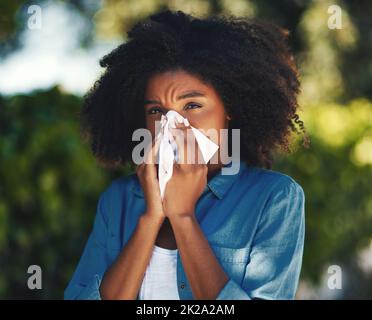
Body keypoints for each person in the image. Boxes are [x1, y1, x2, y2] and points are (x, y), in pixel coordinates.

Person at [64, 9, 309, 300]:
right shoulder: (119, 200)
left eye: (192, 105)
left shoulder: (274, 197)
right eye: (156, 111)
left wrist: (182, 216)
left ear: (229, 107)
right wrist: (150, 218)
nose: (173, 124)